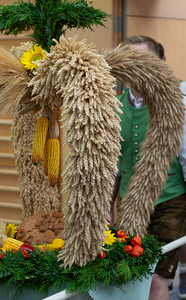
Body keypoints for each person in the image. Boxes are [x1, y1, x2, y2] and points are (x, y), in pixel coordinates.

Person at [111, 35, 186, 300]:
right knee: (126, 273)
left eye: (145, 61)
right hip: (130, 206)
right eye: (131, 62)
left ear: (161, 63)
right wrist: (109, 207)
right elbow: (114, 166)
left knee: (155, 276)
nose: (138, 69)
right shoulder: (114, 106)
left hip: (171, 202)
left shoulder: (181, 96)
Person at [158, 41, 186, 299]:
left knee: (157, 277)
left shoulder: (181, 95)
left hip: (174, 196)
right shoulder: (123, 103)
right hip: (136, 202)